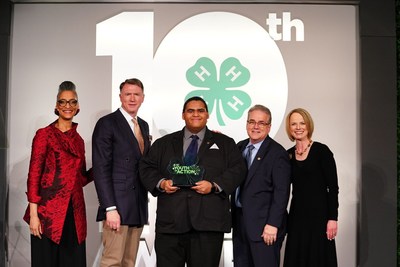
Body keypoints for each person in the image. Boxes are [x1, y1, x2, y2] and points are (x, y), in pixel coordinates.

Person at [139, 96, 247, 267]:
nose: (195, 114)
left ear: (207, 115)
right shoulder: (164, 143)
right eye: (190, 111)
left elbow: (238, 169)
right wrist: (161, 183)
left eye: (200, 110)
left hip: (208, 225)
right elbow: (146, 168)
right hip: (171, 225)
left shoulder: (225, 143)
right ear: (183, 115)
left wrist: (214, 185)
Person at [23, 81, 92, 267]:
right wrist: (34, 215)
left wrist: (101, 168)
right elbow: (34, 175)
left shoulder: (79, 140)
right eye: (62, 102)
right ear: (56, 105)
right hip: (48, 214)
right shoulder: (44, 134)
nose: (67, 106)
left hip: (74, 214)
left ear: (77, 106)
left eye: (72, 102)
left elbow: (80, 179)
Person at [92, 78, 150, 267]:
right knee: (112, 262)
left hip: (137, 206)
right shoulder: (107, 123)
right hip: (117, 207)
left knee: (128, 262)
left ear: (142, 97)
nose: (132, 98)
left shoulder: (143, 125)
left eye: (136, 94)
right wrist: (110, 208)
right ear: (120, 97)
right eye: (128, 94)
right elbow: (101, 168)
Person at [232, 104, 291, 267]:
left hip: (265, 228)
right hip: (240, 224)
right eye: (252, 122)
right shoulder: (239, 147)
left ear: (269, 127)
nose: (255, 126)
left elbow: (282, 192)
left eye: (261, 123)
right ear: (246, 124)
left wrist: (273, 224)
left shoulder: (278, 153)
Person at [283, 108, 339, 267]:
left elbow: (333, 187)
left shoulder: (322, 151)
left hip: (320, 218)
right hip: (297, 218)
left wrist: (332, 218)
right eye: (294, 124)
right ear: (289, 128)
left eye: (302, 123)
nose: (298, 127)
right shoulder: (287, 155)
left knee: (318, 258)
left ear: (308, 125)